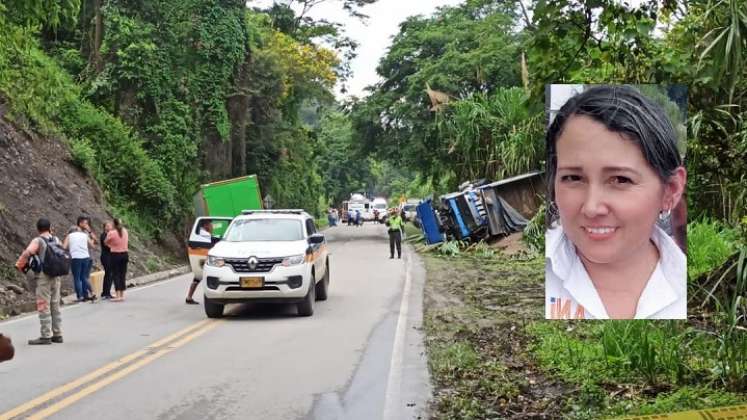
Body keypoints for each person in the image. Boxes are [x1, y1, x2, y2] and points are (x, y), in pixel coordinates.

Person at [545, 85, 687, 320]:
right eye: (573, 178)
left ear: (670, 190)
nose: (592, 207)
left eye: (620, 179)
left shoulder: (691, 289)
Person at [14, 218, 64, 345]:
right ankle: (57, 334)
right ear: (50, 227)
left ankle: (46, 335)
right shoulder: (56, 239)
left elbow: (28, 252)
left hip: (43, 277)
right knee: (55, 305)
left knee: (43, 305)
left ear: (38, 229)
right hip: (56, 276)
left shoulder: (38, 240)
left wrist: (20, 264)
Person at [63, 216, 97, 302]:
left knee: (77, 278)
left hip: (75, 257)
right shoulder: (84, 235)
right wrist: (91, 240)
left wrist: (71, 248)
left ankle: (80, 296)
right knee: (84, 277)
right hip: (86, 257)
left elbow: (64, 247)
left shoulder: (69, 236)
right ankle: (92, 292)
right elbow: (93, 246)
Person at [186, 219, 217, 304]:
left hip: (199, 258)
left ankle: (189, 297)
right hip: (205, 258)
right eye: (211, 225)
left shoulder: (199, 233)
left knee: (197, 278)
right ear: (206, 225)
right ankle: (212, 298)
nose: (212, 227)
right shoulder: (205, 234)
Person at [105, 218, 129, 302]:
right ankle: (122, 294)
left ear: (114, 225)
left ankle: (118, 295)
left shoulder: (111, 233)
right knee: (122, 274)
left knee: (116, 274)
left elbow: (106, 242)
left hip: (115, 255)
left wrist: (112, 246)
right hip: (125, 254)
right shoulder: (125, 231)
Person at [100, 221, 114, 299]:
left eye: (110, 226)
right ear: (104, 227)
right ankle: (106, 293)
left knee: (109, 274)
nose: (109, 227)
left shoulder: (110, 235)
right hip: (106, 256)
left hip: (110, 256)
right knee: (109, 274)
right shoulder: (104, 235)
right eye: (108, 226)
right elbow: (108, 246)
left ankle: (105, 292)